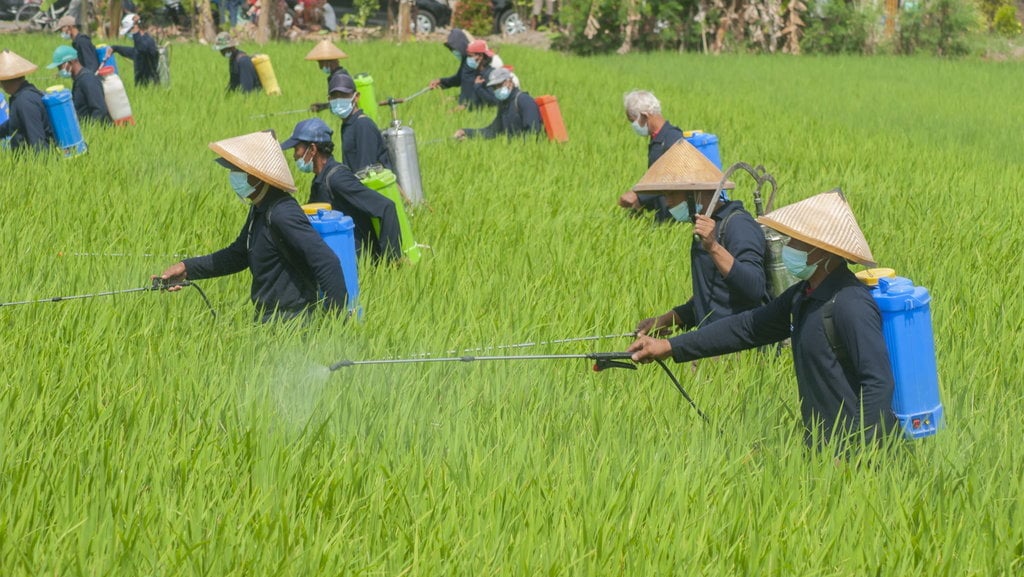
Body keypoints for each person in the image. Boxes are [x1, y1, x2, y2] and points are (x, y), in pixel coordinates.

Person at [629, 189, 897, 447]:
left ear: (823, 249)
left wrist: (854, 451)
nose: (788, 247)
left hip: (857, 457)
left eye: (796, 240)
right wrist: (670, 347)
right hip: (823, 450)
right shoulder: (802, 297)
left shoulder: (850, 303)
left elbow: (879, 384)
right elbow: (746, 327)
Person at [156, 130, 347, 323]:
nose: (232, 176)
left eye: (237, 170)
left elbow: (327, 262)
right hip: (269, 320)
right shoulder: (260, 208)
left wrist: (335, 323)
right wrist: (186, 268)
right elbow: (238, 255)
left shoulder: (283, 213)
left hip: (294, 321)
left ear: (257, 174)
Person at [631, 139, 768, 338]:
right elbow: (711, 298)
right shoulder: (705, 228)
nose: (667, 202)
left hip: (739, 352)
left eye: (671, 195)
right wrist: (662, 321)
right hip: (709, 346)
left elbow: (754, 288)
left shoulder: (738, 226)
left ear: (694, 193)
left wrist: (713, 247)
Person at [282, 118, 402, 262]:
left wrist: (391, 261)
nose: (295, 155)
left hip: (358, 263)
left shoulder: (337, 178)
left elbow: (385, 207)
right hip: (338, 259)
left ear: (312, 149)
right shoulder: (320, 179)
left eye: (297, 149)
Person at [618, 90, 685, 222]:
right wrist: (641, 203)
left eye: (633, 121)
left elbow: (674, 177)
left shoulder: (672, 137)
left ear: (644, 115)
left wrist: (639, 196)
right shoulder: (657, 139)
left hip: (676, 218)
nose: (634, 126)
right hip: (663, 215)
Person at [327, 72, 392, 174]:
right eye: (335, 96)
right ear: (329, 99)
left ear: (356, 97)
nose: (339, 100)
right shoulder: (348, 124)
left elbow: (366, 172)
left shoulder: (363, 125)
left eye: (344, 95)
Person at [454, 67, 543, 141]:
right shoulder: (504, 104)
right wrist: (466, 132)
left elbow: (533, 133)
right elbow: (492, 131)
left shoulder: (524, 100)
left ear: (509, 82)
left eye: (499, 85)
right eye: (494, 87)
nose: (497, 89)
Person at [0, 49, 54, 153]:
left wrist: (37, 167)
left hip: (36, 163)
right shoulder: (21, 95)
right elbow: (14, 122)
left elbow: (37, 141)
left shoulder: (25, 101)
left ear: (5, 80)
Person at [428, 28, 496, 110]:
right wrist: (441, 81)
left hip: (472, 111)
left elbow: (491, 101)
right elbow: (459, 79)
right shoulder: (467, 63)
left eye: (471, 56)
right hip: (464, 107)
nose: (469, 58)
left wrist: (465, 107)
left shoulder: (489, 74)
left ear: (481, 56)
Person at [47, 46, 111, 124]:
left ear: (70, 62)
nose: (59, 70)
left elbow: (100, 110)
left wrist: (91, 130)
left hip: (98, 130)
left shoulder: (88, 80)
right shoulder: (79, 80)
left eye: (60, 66)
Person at [110, 14, 160, 87]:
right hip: (142, 88)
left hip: (151, 86)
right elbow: (134, 52)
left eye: (129, 31)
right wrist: (115, 48)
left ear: (135, 27)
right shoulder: (141, 42)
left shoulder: (147, 42)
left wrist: (136, 32)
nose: (129, 34)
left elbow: (142, 49)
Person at [305, 39, 349, 113]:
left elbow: (343, 104)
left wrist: (323, 106)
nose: (320, 67)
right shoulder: (336, 76)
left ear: (329, 63)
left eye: (320, 63)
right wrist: (323, 106)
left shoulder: (339, 78)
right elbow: (338, 102)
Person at [465, 39, 499, 108]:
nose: (468, 59)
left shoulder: (491, 75)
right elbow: (478, 100)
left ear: (480, 56)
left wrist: (478, 87)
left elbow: (494, 102)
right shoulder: (478, 73)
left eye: (470, 56)